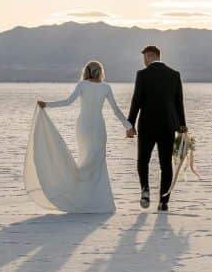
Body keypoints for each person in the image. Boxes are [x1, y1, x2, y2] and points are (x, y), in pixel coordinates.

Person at [24, 60, 133, 213]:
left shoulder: (82, 85)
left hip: (83, 126)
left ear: (86, 71)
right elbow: (115, 110)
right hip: (98, 127)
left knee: (86, 159)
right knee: (97, 162)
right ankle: (97, 201)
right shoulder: (106, 87)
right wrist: (128, 126)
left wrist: (48, 104)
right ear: (100, 72)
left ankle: (81, 196)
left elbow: (68, 102)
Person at [126, 44, 187, 212]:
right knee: (165, 164)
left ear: (148, 56)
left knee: (143, 161)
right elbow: (179, 103)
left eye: (144, 57)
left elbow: (136, 101)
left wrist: (130, 125)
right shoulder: (174, 75)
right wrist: (183, 127)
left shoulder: (142, 75)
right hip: (168, 126)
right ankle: (163, 201)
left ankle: (145, 190)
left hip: (147, 125)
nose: (144, 60)